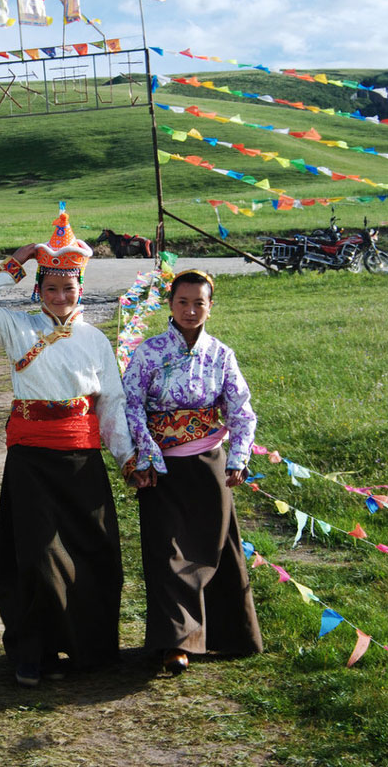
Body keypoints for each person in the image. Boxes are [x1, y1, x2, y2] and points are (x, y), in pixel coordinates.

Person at [0, 207, 141, 688]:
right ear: (37, 290)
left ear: (81, 288)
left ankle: (89, 649)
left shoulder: (96, 340)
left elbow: (111, 403)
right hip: (32, 460)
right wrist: (19, 259)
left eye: (69, 288)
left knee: (93, 553)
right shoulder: (16, 328)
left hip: (82, 461)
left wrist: (126, 457)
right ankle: (34, 653)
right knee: (37, 557)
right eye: (51, 288)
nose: (60, 297)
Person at [122, 269, 263, 675]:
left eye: (199, 303)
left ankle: (230, 634)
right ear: (170, 304)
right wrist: (146, 454)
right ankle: (175, 643)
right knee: (167, 552)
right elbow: (130, 404)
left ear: (210, 307)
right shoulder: (148, 353)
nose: (190, 310)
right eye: (182, 302)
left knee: (216, 548)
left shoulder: (221, 355)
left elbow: (241, 411)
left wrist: (238, 458)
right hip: (161, 468)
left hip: (208, 464)